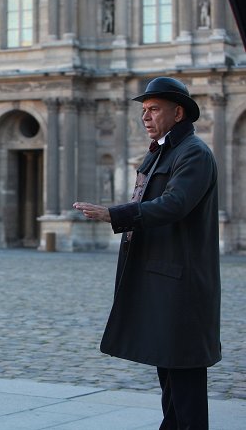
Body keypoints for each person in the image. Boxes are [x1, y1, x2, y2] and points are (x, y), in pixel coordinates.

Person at [73, 77, 221, 429]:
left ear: (179, 112)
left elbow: (175, 204)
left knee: (184, 383)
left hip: (180, 285)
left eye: (154, 109)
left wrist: (115, 213)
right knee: (169, 379)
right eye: (143, 110)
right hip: (161, 280)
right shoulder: (162, 152)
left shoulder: (194, 153)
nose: (145, 116)